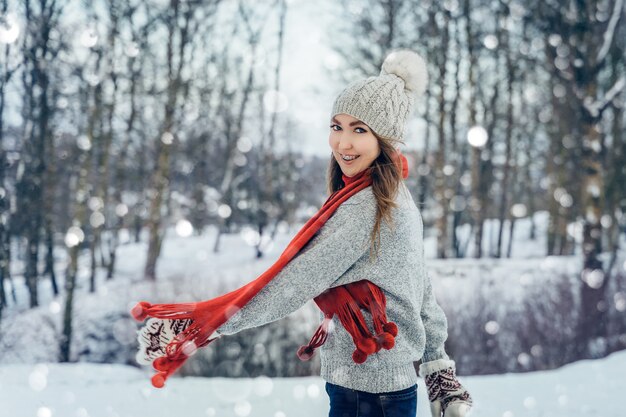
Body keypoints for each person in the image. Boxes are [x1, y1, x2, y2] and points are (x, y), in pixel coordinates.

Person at [132, 49, 473, 417]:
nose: (343, 143)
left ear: (384, 139)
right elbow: (419, 286)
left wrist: (206, 324)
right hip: (385, 384)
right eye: (336, 126)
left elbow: (296, 282)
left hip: (366, 391)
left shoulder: (367, 207)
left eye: (359, 130)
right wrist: (438, 366)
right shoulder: (394, 199)